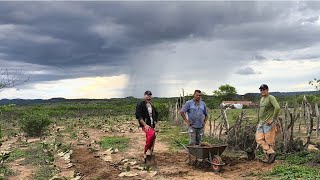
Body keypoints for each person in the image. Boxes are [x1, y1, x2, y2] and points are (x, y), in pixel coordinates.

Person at [256, 84, 280, 163]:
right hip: (261, 123)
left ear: (267, 90)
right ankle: (271, 153)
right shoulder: (262, 99)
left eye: (264, 89)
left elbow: (277, 107)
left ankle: (269, 159)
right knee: (259, 139)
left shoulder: (271, 97)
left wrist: (273, 119)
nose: (262, 91)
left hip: (268, 123)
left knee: (269, 141)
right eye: (261, 90)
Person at [135, 90, 158, 163]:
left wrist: (156, 122)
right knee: (151, 135)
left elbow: (156, 115)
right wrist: (145, 125)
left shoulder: (151, 105)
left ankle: (149, 152)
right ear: (144, 96)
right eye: (147, 95)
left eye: (150, 95)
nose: (149, 97)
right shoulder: (140, 104)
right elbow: (138, 116)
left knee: (152, 137)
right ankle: (146, 151)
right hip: (145, 125)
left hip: (152, 125)